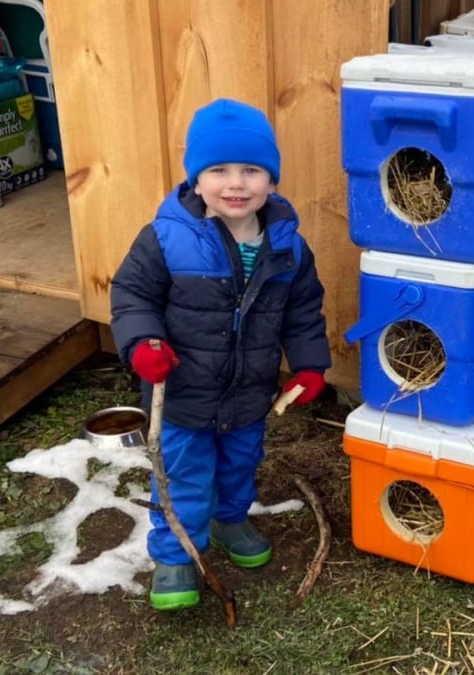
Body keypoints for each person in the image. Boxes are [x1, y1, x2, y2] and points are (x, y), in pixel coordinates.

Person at [110, 98, 331, 611]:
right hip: (183, 391)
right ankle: (177, 553)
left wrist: (310, 366)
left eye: (252, 170)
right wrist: (145, 344)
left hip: (248, 392)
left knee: (239, 462)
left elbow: (302, 311)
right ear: (195, 179)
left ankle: (230, 517)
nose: (236, 183)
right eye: (219, 170)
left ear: (271, 180)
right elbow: (132, 296)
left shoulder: (287, 248)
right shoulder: (166, 239)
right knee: (185, 471)